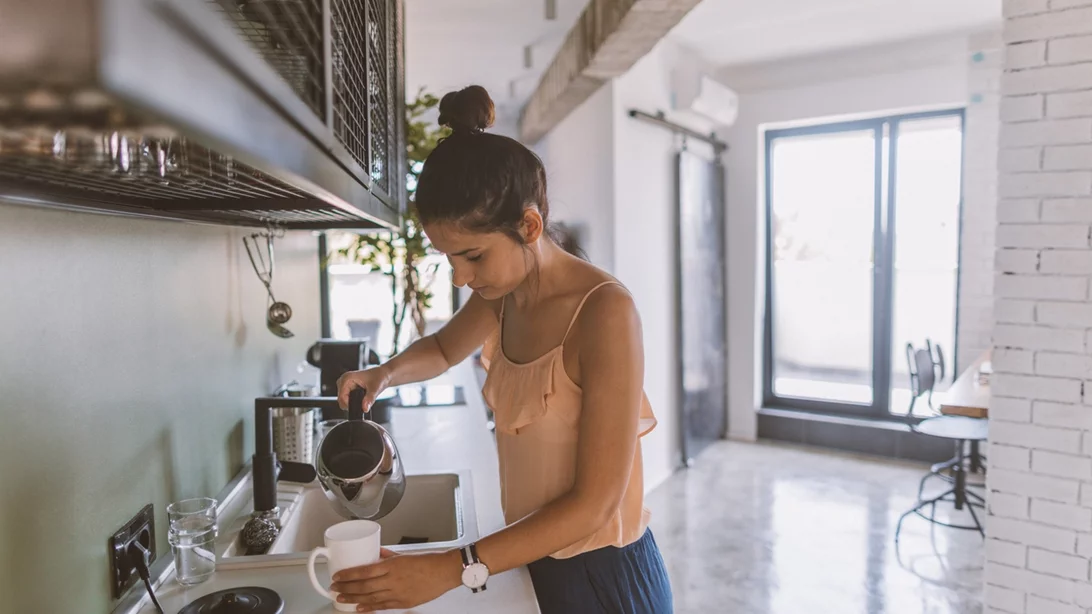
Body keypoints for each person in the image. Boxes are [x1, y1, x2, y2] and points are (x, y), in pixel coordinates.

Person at [330, 85, 674, 614]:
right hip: (530, 551)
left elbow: (595, 504)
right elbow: (445, 348)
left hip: (603, 576)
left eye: (472, 256)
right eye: (449, 259)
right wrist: (384, 374)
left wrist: (450, 568)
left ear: (529, 226)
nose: (462, 278)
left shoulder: (604, 313)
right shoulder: (508, 293)